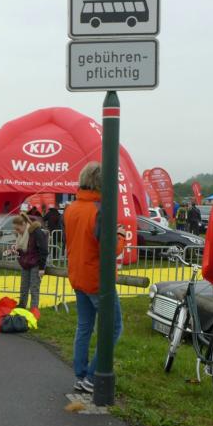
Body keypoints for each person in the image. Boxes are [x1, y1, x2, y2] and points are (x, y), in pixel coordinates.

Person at [63, 162, 124, 394]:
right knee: (114, 327)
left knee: (84, 327)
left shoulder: (71, 208)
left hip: (77, 275)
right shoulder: (99, 211)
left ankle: (80, 375)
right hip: (97, 280)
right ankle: (92, 376)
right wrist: (121, 236)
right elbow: (110, 249)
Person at [10, 213, 48, 310]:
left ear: (24, 224)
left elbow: (43, 250)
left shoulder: (37, 232)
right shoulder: (22, 235)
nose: (17, 231)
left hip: (36, 264)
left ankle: (34, 311)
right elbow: (23, 249)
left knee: (34, 289)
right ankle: (21, 308)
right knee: (23, 287)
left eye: (18, 229)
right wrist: (15, 250)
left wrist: (41, 268)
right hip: (25, 264)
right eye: (15, 229)